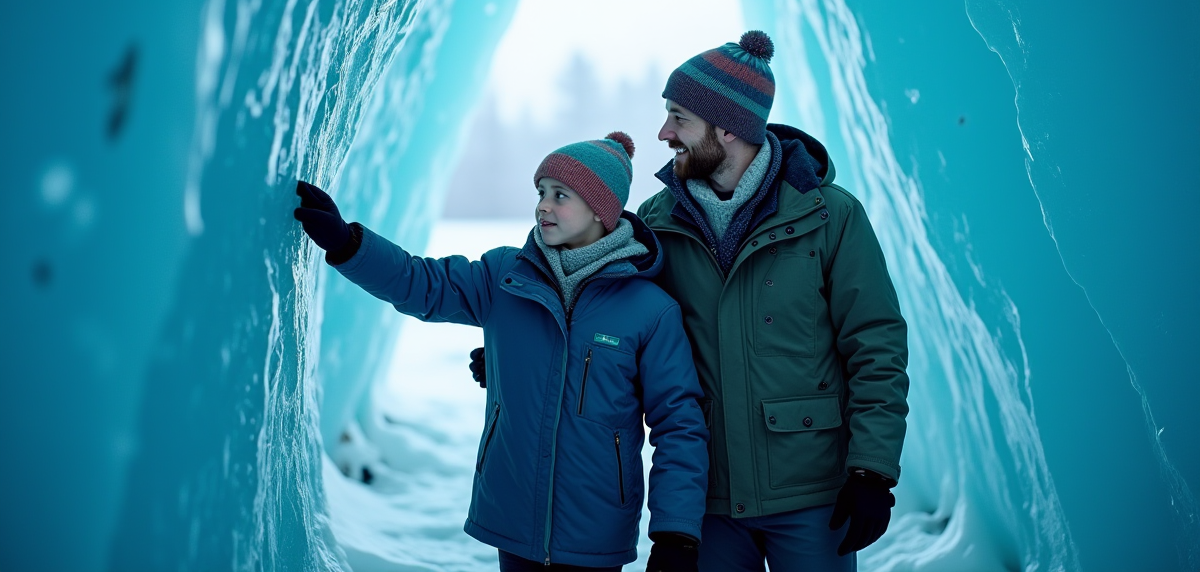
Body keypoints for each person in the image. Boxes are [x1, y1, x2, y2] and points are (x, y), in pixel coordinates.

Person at [474, 32, 909, 570]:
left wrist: (871, 471)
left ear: (727, 127)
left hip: (814, 496)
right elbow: (612, 315)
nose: (664, 133)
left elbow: (876, 346)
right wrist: (533, 353)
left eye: (678, 117)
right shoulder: (656, 223)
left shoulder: (830, 216)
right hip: (709, 504)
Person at [294, 131, 710, 572]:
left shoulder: (648, 308)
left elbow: (679, 420)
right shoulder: (505, 276)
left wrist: (675, 533)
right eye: (541, 192)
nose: (543, 206)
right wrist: (348, 245)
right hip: (512, 514)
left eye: (560, 195)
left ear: (600, 210)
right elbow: (424, 285)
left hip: (597, 528)